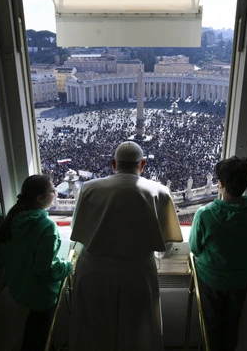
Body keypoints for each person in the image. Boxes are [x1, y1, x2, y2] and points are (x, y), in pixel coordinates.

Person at [69, 141, 183, 351]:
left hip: (94, 272)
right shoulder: (159, 191)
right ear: (143, 165)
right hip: (137, 273)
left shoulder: (89, 188)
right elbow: (165, 248)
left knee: (94, 332)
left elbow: (78, 231)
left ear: (113, 163)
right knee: (137, 335)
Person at [189, 156, 247, 350]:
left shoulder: (205, 214)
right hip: (241, 280)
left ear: (220, 183)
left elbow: (195, 248)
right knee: (232, 325)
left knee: (211, 325)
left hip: (211, 279)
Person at [0, 175, 72, 351]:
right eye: (53, 190)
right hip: (41, 294)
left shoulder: (14, 219)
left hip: (19, 286)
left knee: (35, 328)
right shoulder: (46, 225)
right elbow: (45, 268)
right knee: (40, 337)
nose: (56, 192)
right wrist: (67, 267)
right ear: (40, 199)